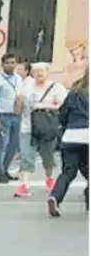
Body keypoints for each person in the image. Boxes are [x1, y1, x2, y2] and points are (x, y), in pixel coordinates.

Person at [13, 62, 69, 198]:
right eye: (36, 71)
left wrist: (43, 106)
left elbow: (64, 107)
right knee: (27, 156)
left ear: (47, 72)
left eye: (42, 71)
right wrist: (18, 100)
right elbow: (17, 111)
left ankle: (49, 178)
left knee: (47, 156)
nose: (39, 74)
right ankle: (25, 185)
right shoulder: (26, 87)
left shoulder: (56, 88)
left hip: (47, 128)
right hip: (27, 127)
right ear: (32, 73)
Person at [48, 66, 89, 217]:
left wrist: (66, 127)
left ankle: (55, 197)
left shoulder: (75, 92)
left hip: (71, 136)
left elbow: (63, 113)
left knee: (68, 172)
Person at [0, 53, 22, 183]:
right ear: (3, 64)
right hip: (3, 115)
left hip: (15, 115)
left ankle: (5, 169)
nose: (11, 65)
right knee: (2, 144)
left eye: (13, 62)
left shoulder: (18, 79)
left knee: (13, 145)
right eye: (8, 63)